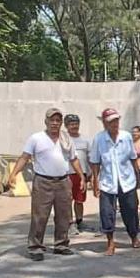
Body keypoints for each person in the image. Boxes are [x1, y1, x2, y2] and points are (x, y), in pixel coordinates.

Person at [7, 107, 84, 260]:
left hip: (63, 181)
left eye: (58, 120)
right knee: (39, 216)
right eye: (52, 120)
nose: (55, 123)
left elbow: (73, 159)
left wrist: (81, 176)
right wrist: (14, 174)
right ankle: (35, 247)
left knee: (64, 215)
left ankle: (61, 245)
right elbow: (25, 157)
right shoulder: (36, 138)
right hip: (43, 182)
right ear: (46, 121)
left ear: (61, 123)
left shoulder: (66, 139)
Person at [90, 107, 140, 255]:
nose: (115, 124)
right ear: (105, 124)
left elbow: (133, 157)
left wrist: (137, 177)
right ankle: (110, 242)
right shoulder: (99, 139)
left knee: (131, 210)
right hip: (107, 182)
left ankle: (133, 236)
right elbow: (95, 162)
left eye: (116, 120)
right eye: (111, 121)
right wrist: (95, 182)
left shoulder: (126, 137)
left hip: (127, 180)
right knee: (107, 212)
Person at [65, 114, 92, 233]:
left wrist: (91, 174)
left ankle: (80, 221)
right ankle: (70, 223)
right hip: (67, 174)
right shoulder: (63, 140)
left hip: (82, 174)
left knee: (79, 199)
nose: (74, 126)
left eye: (76, 123)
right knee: (68, 199)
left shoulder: (85, 140)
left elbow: (90, 157)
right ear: (66, 126)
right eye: (71, 124)